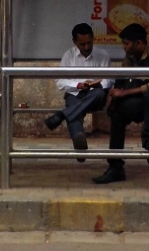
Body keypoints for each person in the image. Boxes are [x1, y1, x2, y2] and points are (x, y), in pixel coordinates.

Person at [92, 23, 149, 185]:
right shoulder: (131, 56)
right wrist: (115, 97)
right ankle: (116, 167)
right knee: (118, 114)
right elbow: (122, 76)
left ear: (139, 43)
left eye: (126, 43)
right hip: (146, 99)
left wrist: (124, 93)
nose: (123, 47)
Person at [46, 22, 112, 160]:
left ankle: (62, 115)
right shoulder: (68, 56)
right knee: (74, 109)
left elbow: (110, 79)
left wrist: (98, 84)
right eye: (82, 44)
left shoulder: (103, 55)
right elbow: (60, 81)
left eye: (89, 43)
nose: (86, 47)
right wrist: (78, 85)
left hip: (95, 94)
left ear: (93, 38)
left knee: (98, 94)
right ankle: (79, 139)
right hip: (75, 93)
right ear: (74, 42)